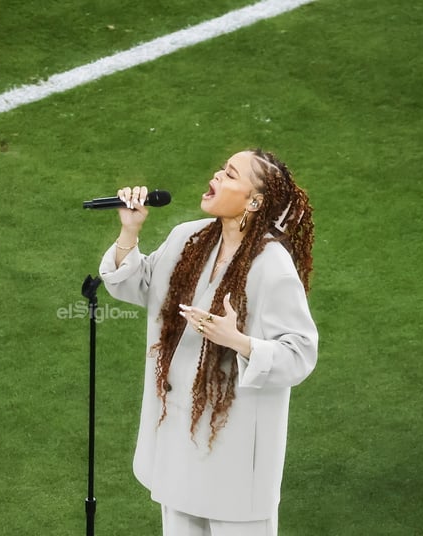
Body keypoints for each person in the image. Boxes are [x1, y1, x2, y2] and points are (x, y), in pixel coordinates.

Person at [99, 149, 318, 536]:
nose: (217, 175)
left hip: (233, 464)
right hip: (179, 445)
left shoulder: (272, 266)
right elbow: (138, 285)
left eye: (230, 174)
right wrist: (130, 230)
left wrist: (239, 342)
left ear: (255, 201)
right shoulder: (190, 238)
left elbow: (300, 353)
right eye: (222, 169)